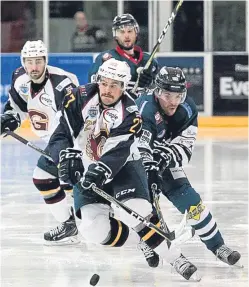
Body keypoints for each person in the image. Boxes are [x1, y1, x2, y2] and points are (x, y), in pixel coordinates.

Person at [47, 58, 200, 281]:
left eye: (115, 85)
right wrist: (65, 156)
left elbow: (117, 152)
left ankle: (176, 257)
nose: (108, 90)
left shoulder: (130, 112)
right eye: (105, 83)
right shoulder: (78, 97)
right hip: (88, 169)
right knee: (93, 230)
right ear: (98, 81)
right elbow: (60, 133)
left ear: (123, 87)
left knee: (137, 210)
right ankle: (142, 238)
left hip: (123, 167)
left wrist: (99, 170)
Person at [135, 66, 242, 267]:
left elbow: (185, 146)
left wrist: (164, 157)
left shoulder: (188, 108)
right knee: (142, 206)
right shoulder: (145, 108)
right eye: (167, 95)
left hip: (163, 160)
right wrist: (149, 169)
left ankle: (218, 245)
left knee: (192, 201)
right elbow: (140, 146)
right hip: (136, 163)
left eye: (178, 95)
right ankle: (146, 239)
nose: (173, 102)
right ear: (157, 92)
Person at [0, 40, 80, 245]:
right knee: (44, 179)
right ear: (23, 62)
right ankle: (69, 223)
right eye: (29, 62)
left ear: (45, 61)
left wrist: (64, 149)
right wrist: (8, 119)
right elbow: (16, 108)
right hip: (53, 140)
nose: (33, 67)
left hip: (73, 139)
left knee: (69, 179)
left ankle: (98, 217)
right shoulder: (20, 78)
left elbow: (76, 121)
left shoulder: (63, 84)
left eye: (38, 62)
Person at [88, 13, 158, 96]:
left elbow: (160, 93)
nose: (126, 36)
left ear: (136, 33)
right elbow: (92, 87)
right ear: (115, 36)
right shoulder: (107, 58)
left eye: (130, 31)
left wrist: (151, 84)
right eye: (122, 32)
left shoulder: (149, 60)